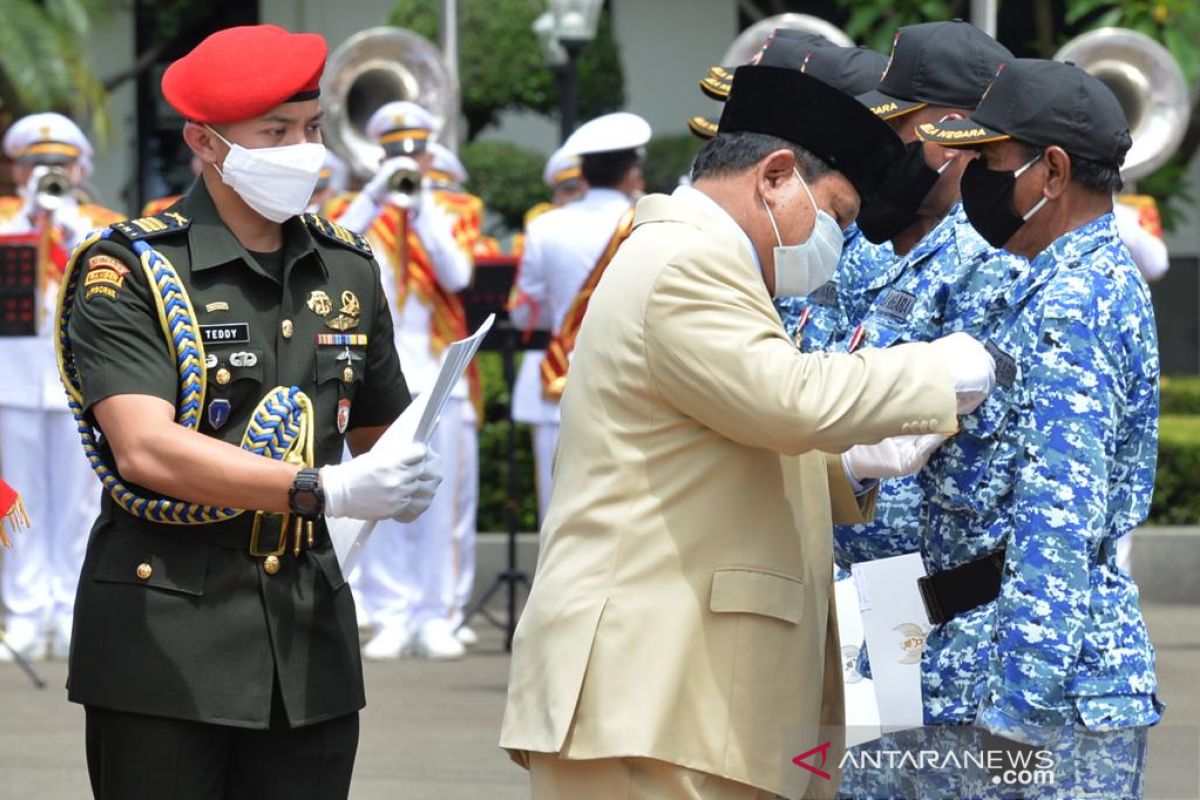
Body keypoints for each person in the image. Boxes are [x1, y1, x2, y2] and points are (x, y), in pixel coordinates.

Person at [500, 64, 998, 800]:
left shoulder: (708, 261)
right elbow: (786, 399)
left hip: (678, 699)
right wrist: (935, 372)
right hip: (653, 695)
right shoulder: (685, 263)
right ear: (774, 177)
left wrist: (853, 466)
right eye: (834, 212)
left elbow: (739, 436)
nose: (837, 238)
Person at [57, 24, 442, 799]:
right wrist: (322, 491)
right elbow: (145, 451)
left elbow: (375, 428)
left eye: (311, 129)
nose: (304, 150)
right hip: (168, 643)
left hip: (309, 642)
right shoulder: (129, 267)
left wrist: (404, 468)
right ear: (206, 142)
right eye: (275, 133)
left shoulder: (346, 264)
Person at [903, 58, 1162, 797]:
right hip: (990, 656)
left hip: (1040, 691)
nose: (974, 176)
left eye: (990, 159)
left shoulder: (1075, 298)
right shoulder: (1051, 279)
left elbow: (1058, 515)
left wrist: (1017, 719)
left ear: (1051, 171)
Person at [328, 101, 478, 660]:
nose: (404, 159)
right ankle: (389, 611)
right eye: (393, 151)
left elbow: (458, 274)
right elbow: (334, 244)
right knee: (379, 493)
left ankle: (438, 613)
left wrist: (422, 208)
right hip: (375, 373)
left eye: (412, 149)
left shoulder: (457, 208)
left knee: (441, 501)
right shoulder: (352, 207)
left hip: (443, 370)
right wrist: (378, 195)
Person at [0, 112, 123, 662]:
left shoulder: (100, 222)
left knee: (79, 505)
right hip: (15, 384)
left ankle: (74, 611)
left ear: (80, 169)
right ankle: (24, 611)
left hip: (80, 385)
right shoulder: (6, 220)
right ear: (17, 170)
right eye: (33, 164)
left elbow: (116, 263)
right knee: (18, 502)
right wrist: (32, 216)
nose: (45, 174)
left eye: (58, 165)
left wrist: (66, 220)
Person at [507, 112, 649, 526]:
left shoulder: (545, 226)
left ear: (582, 173)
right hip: (628, 378)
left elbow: (522, 313)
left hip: (555, 380)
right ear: (632, 172)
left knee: (557, 511)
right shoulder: (647, 220)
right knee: (625, 515)